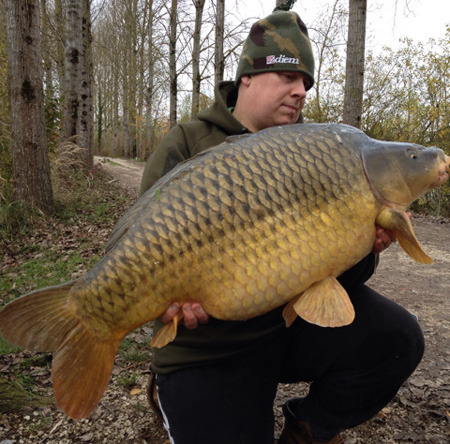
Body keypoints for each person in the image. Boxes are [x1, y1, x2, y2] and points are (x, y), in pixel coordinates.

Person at [140, 11, 424, 444]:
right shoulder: (188, 142)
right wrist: (159, 304)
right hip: (207, 351)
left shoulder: (315, 152)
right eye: (288, 76)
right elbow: (143, 255)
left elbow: (332, 277)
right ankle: (169, 393)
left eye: (306, 83)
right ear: (248, 77)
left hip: (283, 331)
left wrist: (366, 247)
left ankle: (310, 427)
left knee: (397, 338)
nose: (300, 92)